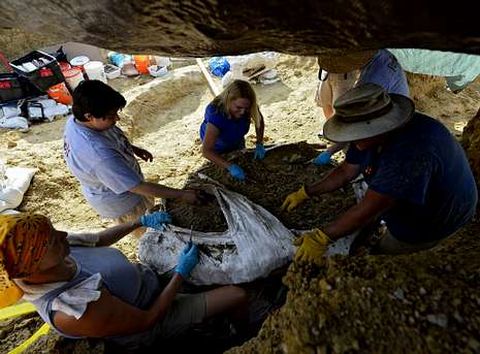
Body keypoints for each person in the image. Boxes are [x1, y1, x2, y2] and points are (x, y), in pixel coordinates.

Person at [282, 84, 477, 262]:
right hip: (415, 192)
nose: (354, 141)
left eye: (357, 134)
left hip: (439, 216)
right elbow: (346, 171)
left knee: (385, 258)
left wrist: (322, 236)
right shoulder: (369, 135)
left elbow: (370, 208)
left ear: (380, 127)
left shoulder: (409, 154)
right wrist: (307, 192)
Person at [0, 213, 248, 350]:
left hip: (149, 283)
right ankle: (239, 335)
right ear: (33, 267)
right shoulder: (72, 308)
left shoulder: (60, 249)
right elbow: (147, 320)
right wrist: (180, 274)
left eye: (54, 231)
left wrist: (138, 222)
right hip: (155, 317)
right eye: (53, 240)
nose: (62, 235)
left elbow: (98, 240)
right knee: (237, 295)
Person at [64, 80, 205, 236]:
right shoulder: (98, 155)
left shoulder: (78, 120)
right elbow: (138, 186)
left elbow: (111, 139)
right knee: (149, 234)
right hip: (125, 204)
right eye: (111, 116)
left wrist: (132, 148)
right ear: (89, 116)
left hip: (121, 184)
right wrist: (182, 194)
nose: (116, 119)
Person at [312, 49, 410, 166]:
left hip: (390, 124)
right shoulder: (379, 55)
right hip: (388, 112)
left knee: (365, 160)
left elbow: (356, 123)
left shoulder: (371, 81)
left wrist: (330, 151)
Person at [199, 80, 266, 181]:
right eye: (238, 107)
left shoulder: (247, 106)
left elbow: (259, 120)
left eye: (246, 108)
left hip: (236, 138)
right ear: (228, 101)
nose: (243, 112)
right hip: (217, 145)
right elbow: (206, 151)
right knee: (223, 170)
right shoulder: (216, 115)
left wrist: (259, 143)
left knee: (240, 156)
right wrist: (230, 166)